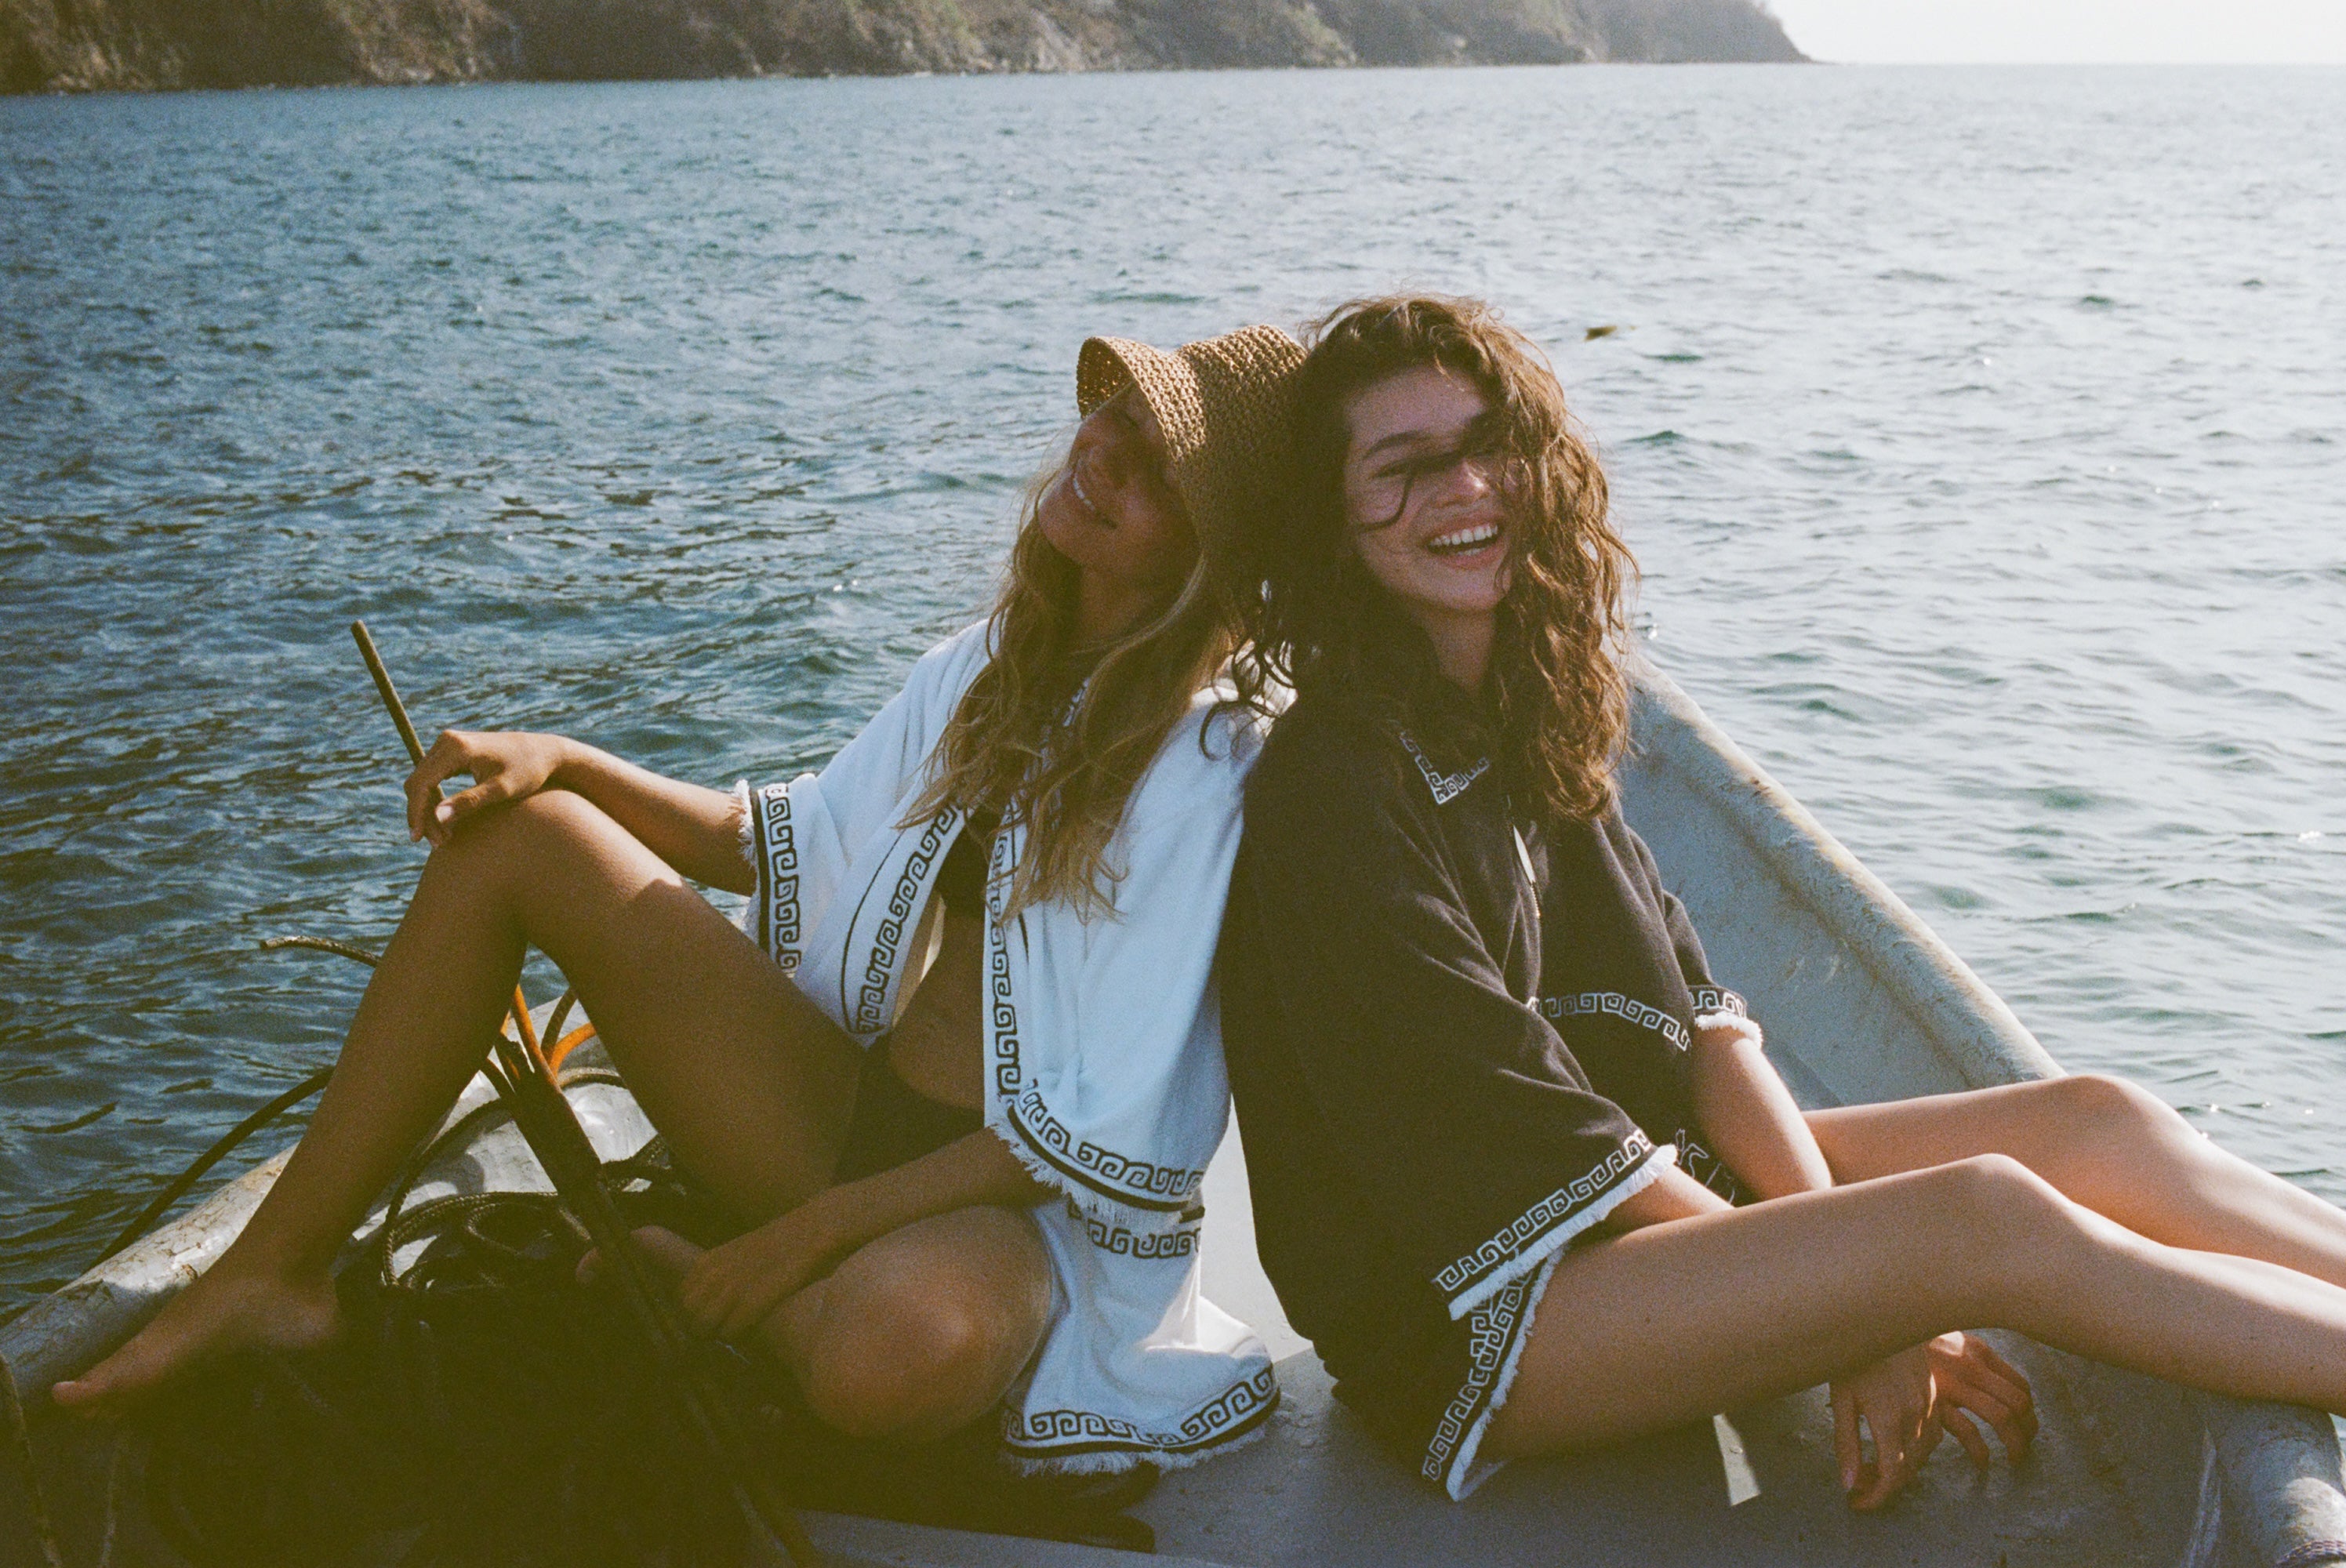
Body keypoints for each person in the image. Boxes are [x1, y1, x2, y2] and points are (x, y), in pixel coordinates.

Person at [60, 324, 1304, 1479]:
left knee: (902, 1354)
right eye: (1116, 416)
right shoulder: (995, 663)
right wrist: (565, 760)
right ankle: (277, 1276)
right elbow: (794, 840)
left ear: (1212, 556)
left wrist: (795, 1244)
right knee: (520, 836)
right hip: (841, 1115)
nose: (1107, 454)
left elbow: (1095, 1139)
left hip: (1007, 1212)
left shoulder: (1215, 763)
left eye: (1162, 467)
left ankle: (689, 1275)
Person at [1217, 293, 2346, 1511]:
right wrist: (1864, 1305)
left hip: (1643, 1223)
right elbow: (1513, 1128)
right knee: (1984, 1220)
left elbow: (1705, 1031)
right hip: (1483, 1316)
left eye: (1491, 443)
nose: (1466, 487)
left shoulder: (1523, 712)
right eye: (1403, 469)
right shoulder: (1331, 791)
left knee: (2095, 1123)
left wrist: (1840, 1275)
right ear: (1331, 525)